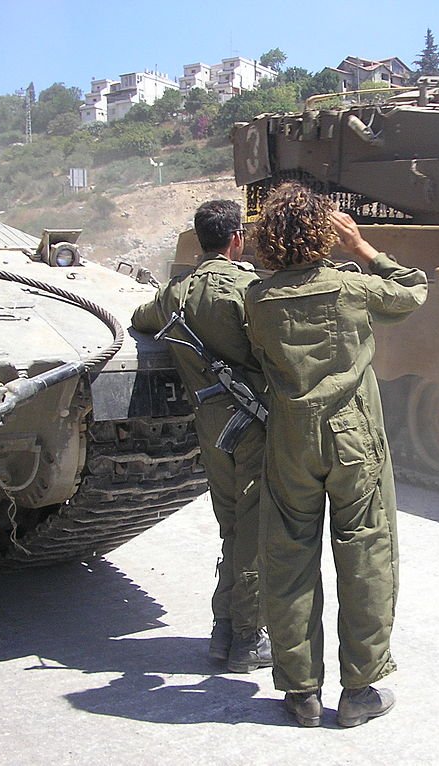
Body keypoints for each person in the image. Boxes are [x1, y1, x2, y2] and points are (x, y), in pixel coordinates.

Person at [244, 182, 427, 728]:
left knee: (289, 558)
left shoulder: (257, 298)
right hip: (353, 438)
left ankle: (300, 693)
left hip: (290, 439)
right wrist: (363, 249)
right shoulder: (352, 287)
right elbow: (413, 292)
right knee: (366, 553)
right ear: (325, 232)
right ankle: (359, 691)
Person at [131, 199, 271, 674]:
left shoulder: (176, 294)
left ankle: (225, 630)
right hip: (253, 425)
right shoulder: (247, 288)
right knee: (253, 530)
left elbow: (140, 317)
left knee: (232, 526)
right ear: (236, 239)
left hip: (212, 426)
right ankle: (249, 635)